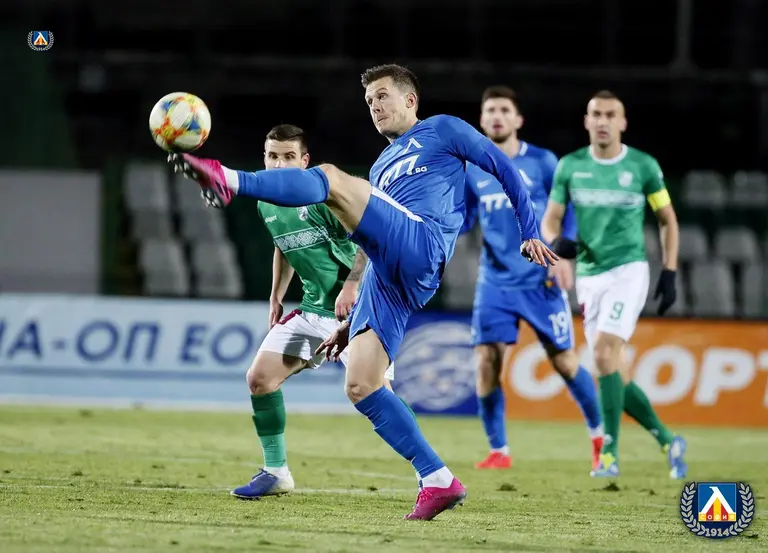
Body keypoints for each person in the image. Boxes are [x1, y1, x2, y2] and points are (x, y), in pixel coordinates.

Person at [170, 63, 558, 519]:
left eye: (383, 96)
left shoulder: (443, 129)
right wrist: (351, 321)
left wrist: (529, 230)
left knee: (332, 179)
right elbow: (372, 243)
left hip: (423, 240)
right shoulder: (381, 165)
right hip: (390, 271)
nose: (375, 106)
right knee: (361, 384)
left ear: (410, 100)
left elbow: (503, 167)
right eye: (370, 100)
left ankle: (230, 179)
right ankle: (438, 479)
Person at [227, 124, 396, 500]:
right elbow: (283, 246)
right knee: (260, 379)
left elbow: (369, 238)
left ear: (305, 161)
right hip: (313, 312)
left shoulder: (323, 197)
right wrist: (276, 295)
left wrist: (352, 285)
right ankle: (276, 473)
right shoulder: (266, 202)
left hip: (360, 312)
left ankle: (432, 475)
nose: (279, 165)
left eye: (289, 157)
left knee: (377, 396)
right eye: (273, 156)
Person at [540, 90, 687, 479]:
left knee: (604, 353)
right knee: (613, 371)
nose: (603, 121)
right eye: (596, 114)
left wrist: (669, 271)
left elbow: (667, 219)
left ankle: (608, 453)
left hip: (628, 271)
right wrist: (555, 241)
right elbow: (550, 218)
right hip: (589, 277)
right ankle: (668, 440)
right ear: (586, 121)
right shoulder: (571, 166)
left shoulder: (643, 166)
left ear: (623, 122)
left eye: (610, 115)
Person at [462, 86, 603, 471]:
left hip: (541, 279)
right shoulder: (473, 170)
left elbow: (568, 208)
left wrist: (564, 253)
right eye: (490, 110)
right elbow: (467, 218)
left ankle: (600, 438)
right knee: (486, 361)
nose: (497, 116)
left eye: (504, 110)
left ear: (518, 119)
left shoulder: (542, 162)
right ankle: (499, 451)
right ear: (481, 120)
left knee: (565, 363)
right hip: (494, 281)